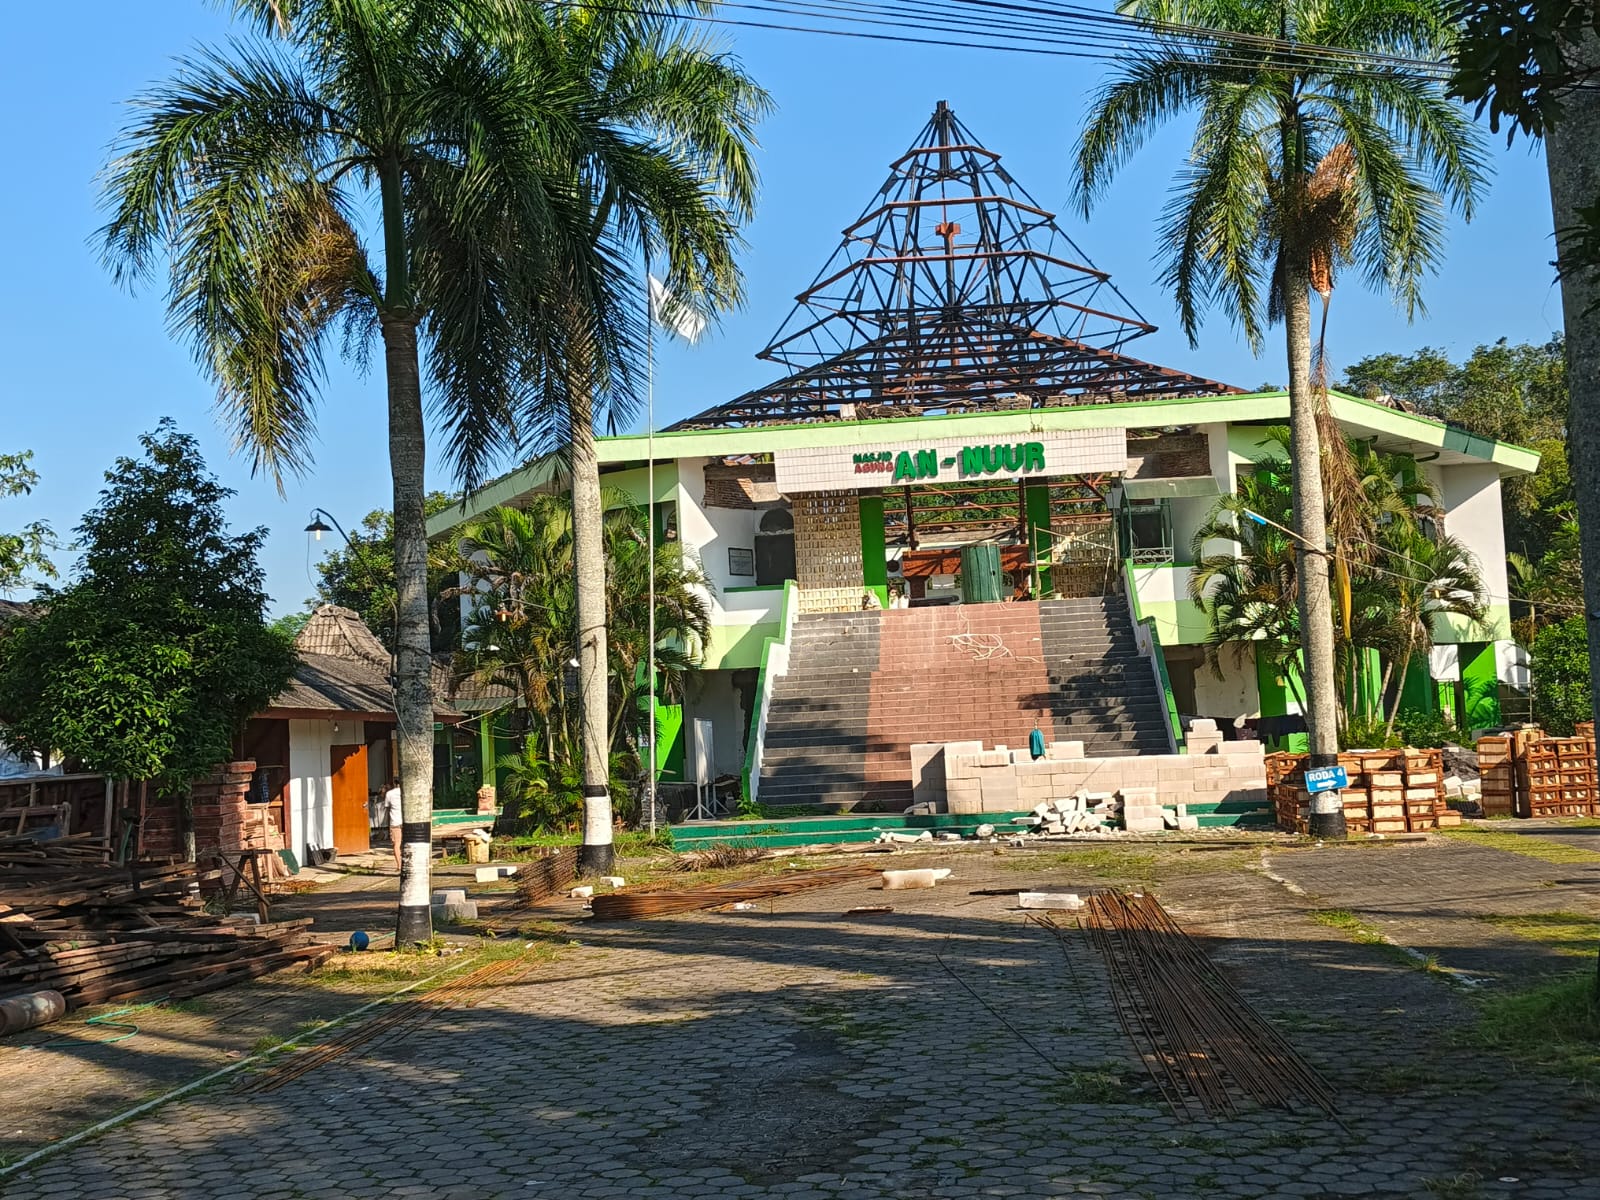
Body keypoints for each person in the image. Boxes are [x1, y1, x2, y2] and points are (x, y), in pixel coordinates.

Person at [382, 781, 402, 872]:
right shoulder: (407, 791)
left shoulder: (389, 794)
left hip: (395, 822)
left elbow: (387, 808)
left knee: (396, 844)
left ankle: (399, 866)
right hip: (407, 821)